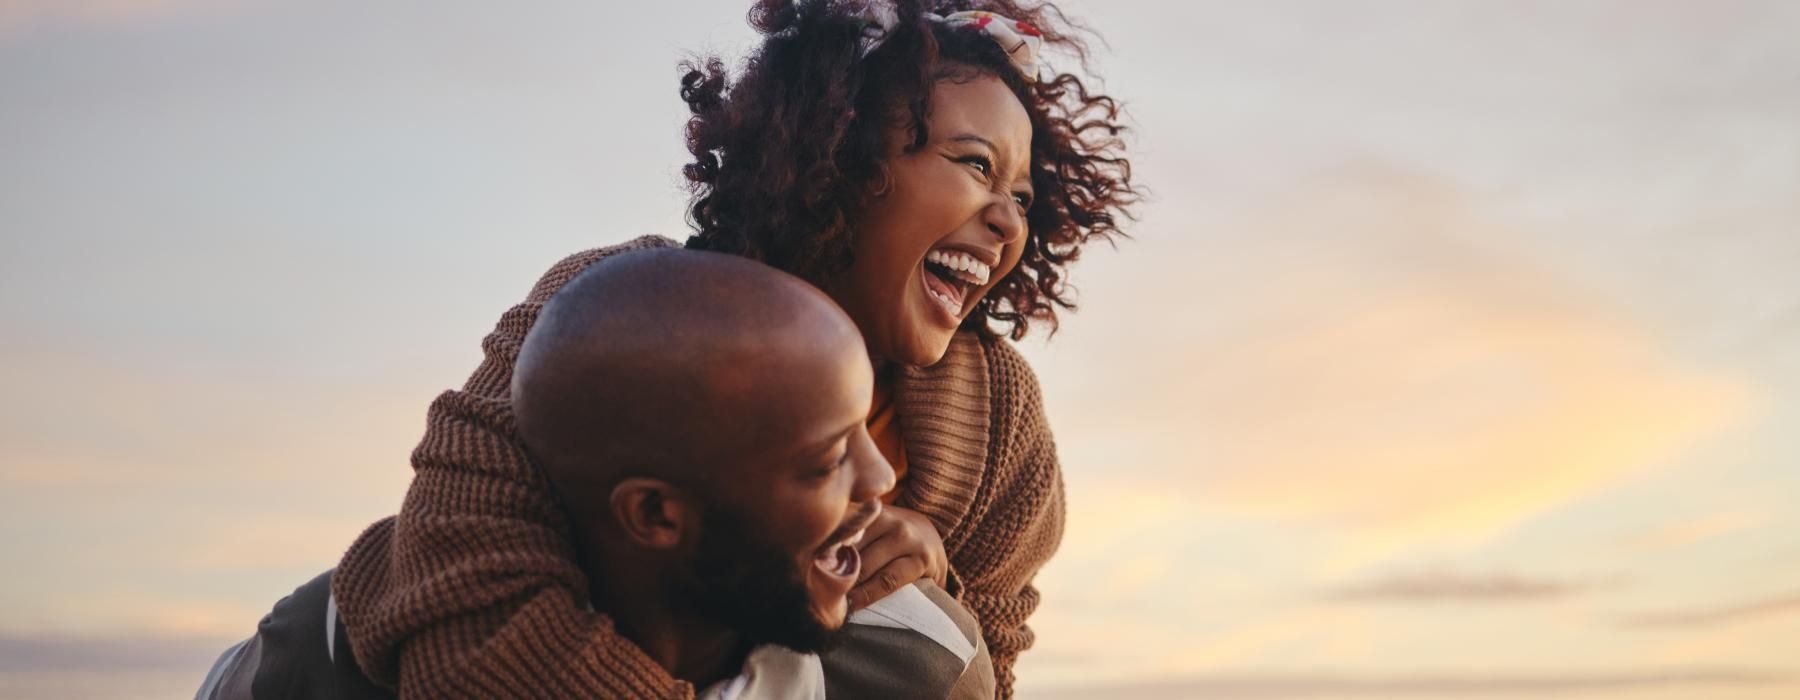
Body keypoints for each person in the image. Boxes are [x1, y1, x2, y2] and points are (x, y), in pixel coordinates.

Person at [331, 0, 1137, 697]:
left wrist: (939, 577)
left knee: (926, 639)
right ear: (842, 156)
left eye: (1023, 197)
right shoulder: (615, 310)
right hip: (378, 669)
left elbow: (981, 672)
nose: (1007, 221)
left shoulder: (1000, 419)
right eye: (974, 165)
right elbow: (464, 590)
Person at [197, 250, 995, 699]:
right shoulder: (320, 656)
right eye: (826, 461)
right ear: (653, 514)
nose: (882, 478)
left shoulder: (920, 667)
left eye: (865, 427)